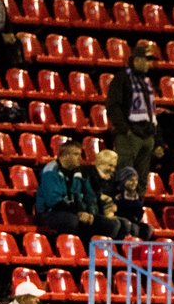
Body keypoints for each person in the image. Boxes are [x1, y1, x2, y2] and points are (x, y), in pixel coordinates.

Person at [105, 41, 163, 195]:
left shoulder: (146, 82)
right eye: (147, 60)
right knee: (125, 176)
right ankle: (122, 208)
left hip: (147, 135)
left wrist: (157, 139)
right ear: (136, 60)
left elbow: (152, 113)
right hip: (130, 136)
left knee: (141, 179)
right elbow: (113, 106)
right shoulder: (122, 79)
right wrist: (126, 130)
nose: (150, 64)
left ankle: (137, 207)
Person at [35, 138, 121, 241]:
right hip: (49, 214)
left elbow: (85, 196)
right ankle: (70, 247)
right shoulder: (51, 171)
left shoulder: (78, 172)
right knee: (72, 221)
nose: (80, 158)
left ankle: (96, 249)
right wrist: (78, 213)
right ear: (65, 156)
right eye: (76, 154)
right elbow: (54, 202)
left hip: (73, 211)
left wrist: (88, 214)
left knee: (111, 224)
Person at [112, 166, 152, 240]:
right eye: (131, 180)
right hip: (122, 220)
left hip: (134, 221)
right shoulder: (117, 195)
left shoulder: (137, 196)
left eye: (136, 180)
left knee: (147, 228)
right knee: (133, 228)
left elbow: (139, 213)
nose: (134, 183)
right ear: (123, 180)